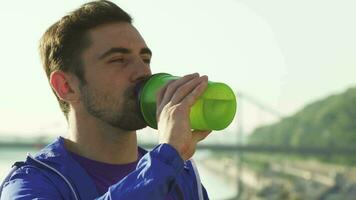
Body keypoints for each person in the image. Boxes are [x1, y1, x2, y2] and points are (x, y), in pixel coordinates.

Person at [0, 0, 211, 199]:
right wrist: (166, 158)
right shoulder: (31, 183)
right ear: (67, 86)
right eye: (118, 60)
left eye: (145, 59)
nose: (143, 72)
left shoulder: (182, 176)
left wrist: (168, 160)